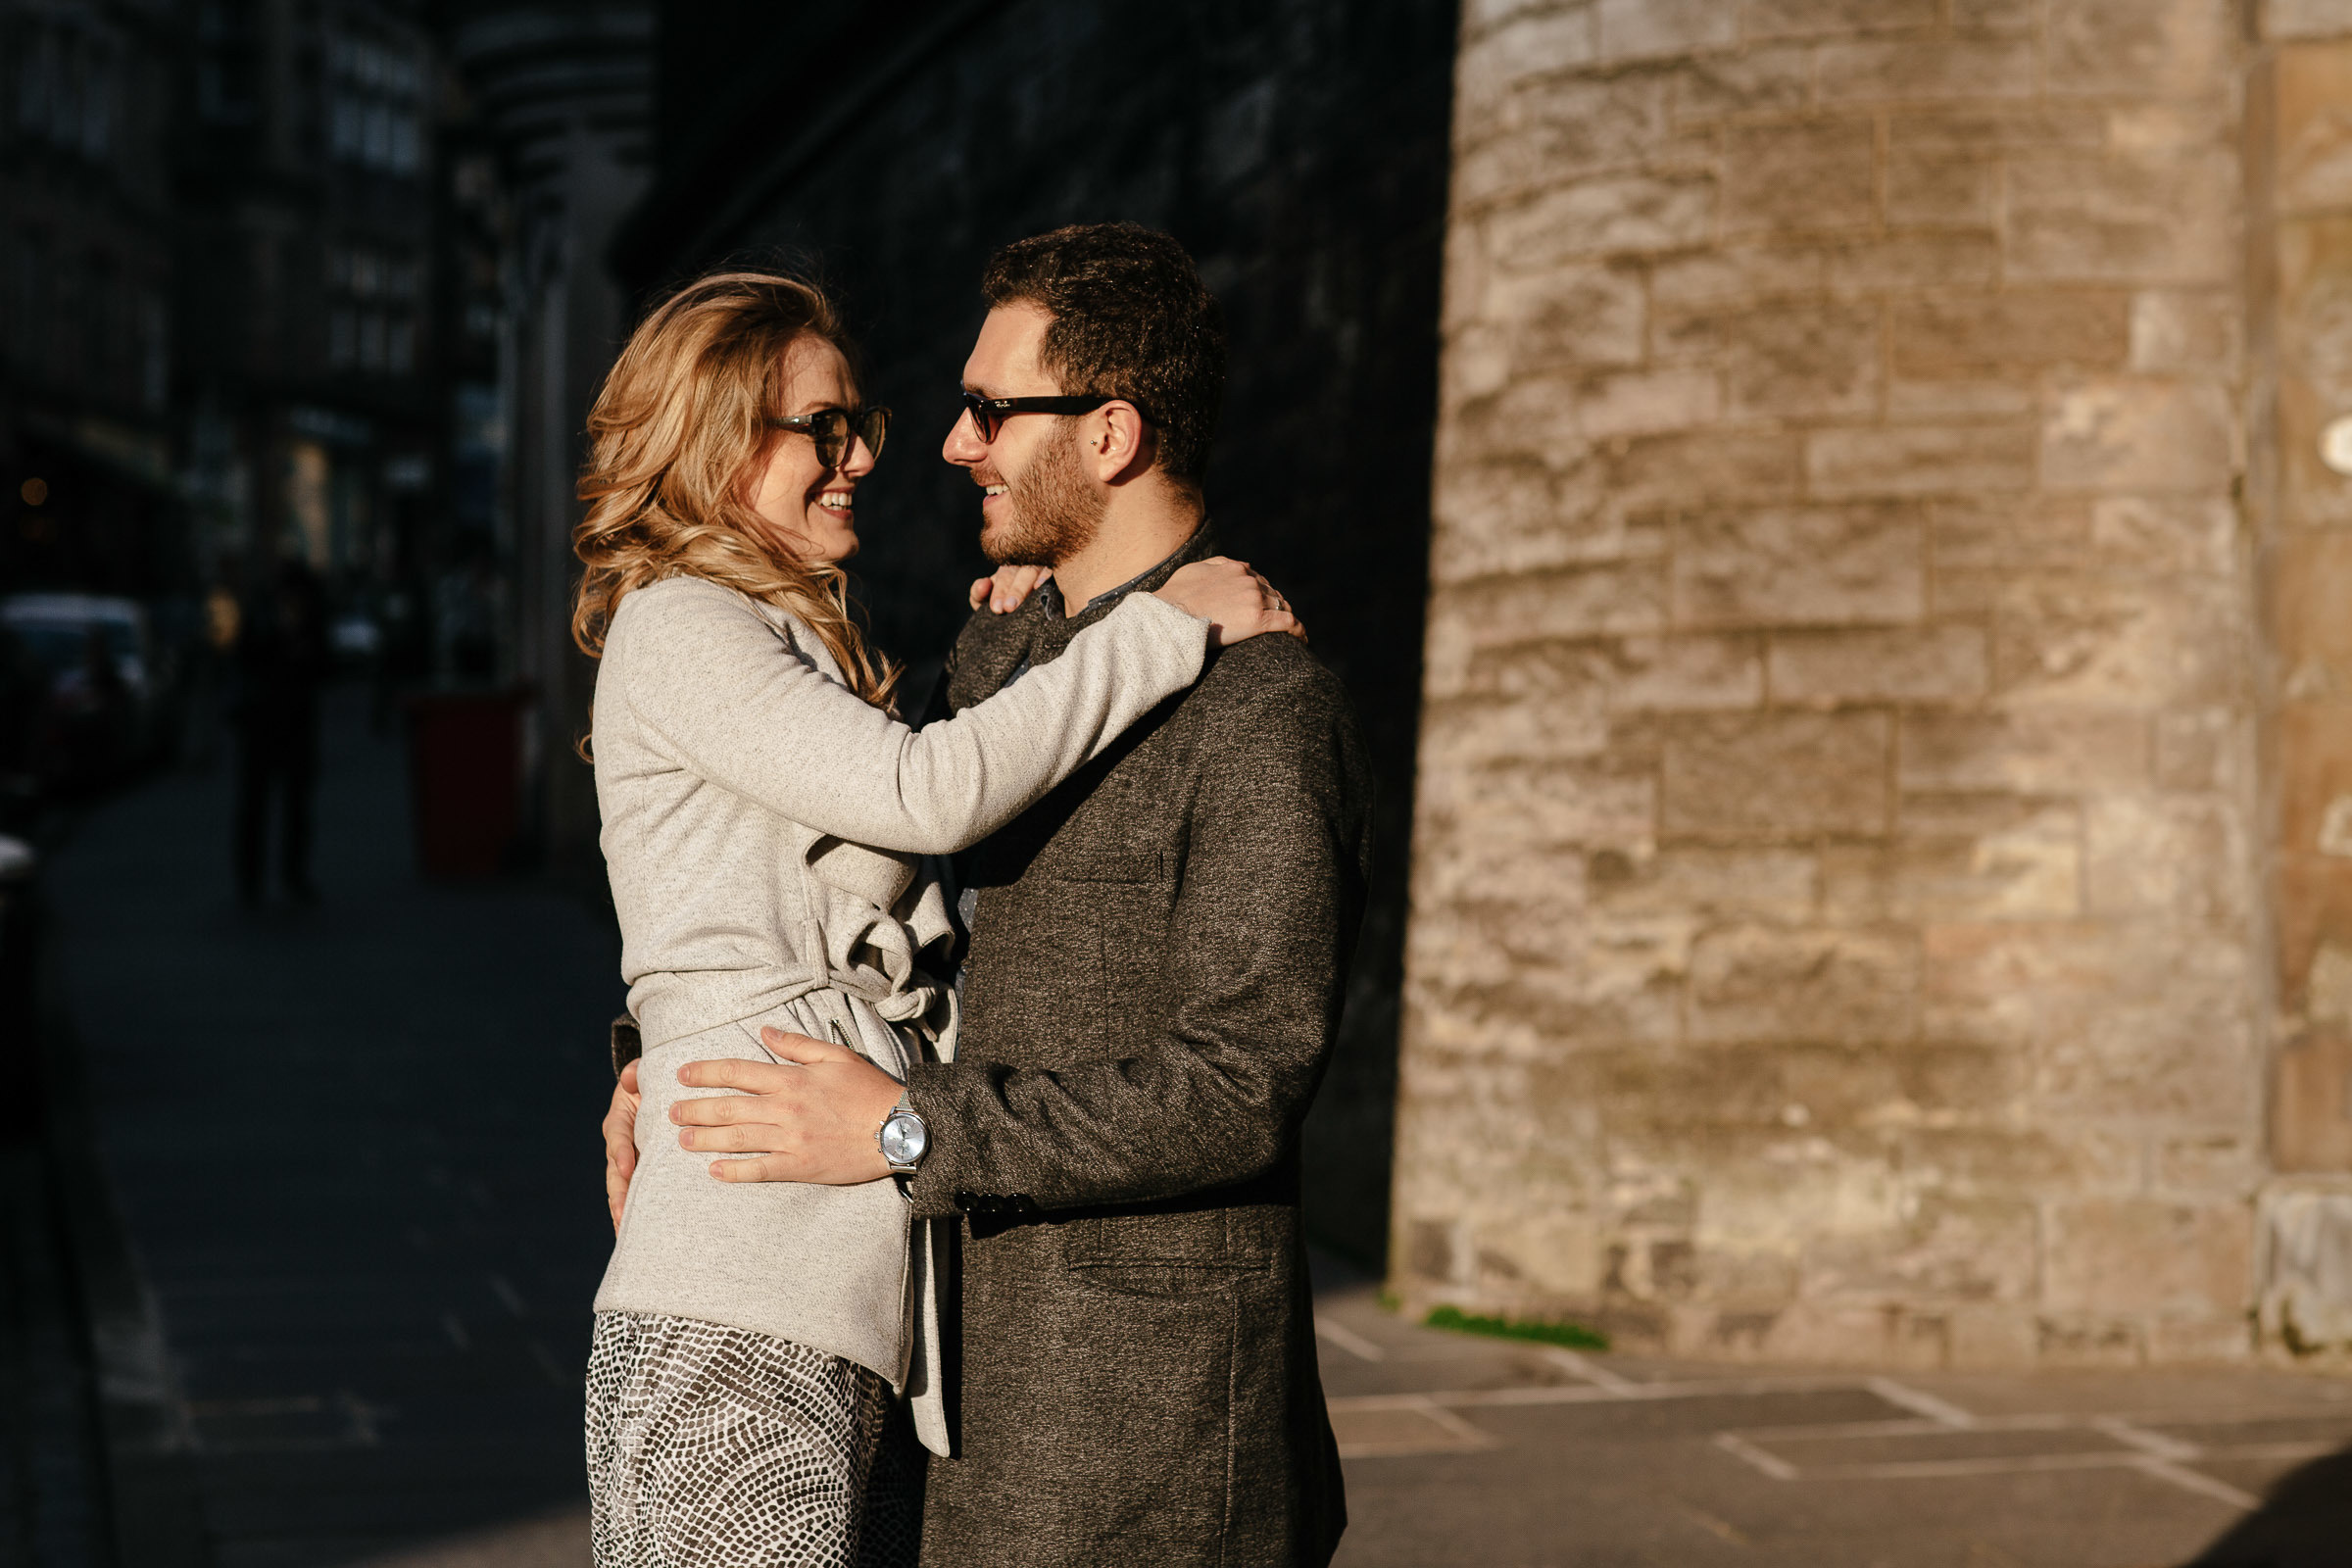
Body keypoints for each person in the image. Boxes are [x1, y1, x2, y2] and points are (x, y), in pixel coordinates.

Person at [604, 223, 1372, 1567]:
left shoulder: (1262, 702)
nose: (940, 447)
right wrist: (667, 1052)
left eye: (988, 411)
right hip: (929, 1377)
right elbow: (861, 847)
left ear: (1110, 433)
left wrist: (909, 1129)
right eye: (834, 425)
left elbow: (1241, 1080)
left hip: (1147, 1428)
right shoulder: (984, 665)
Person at [229, 559, 329, 905]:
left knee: (289, 807)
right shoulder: (263, 614)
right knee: (260, 806)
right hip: (266, 723)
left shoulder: (307, 619)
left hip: (288, 723)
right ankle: (255, 880)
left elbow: (323, 665)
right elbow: (245, 656)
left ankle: (285, 877)